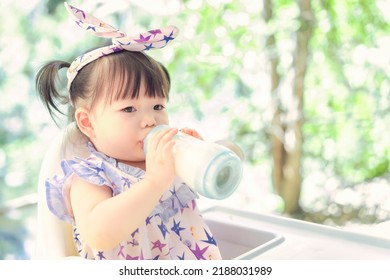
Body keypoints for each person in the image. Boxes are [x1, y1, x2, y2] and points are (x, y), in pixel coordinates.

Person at [36, 3, 222, 260]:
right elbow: (100, 234)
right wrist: (154, 182)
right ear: (88, 123)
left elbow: (223, 171)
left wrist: (198, 158)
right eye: (129, 109)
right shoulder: (93, 175)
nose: (150, 120)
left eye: (157, 105)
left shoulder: (167, 159)